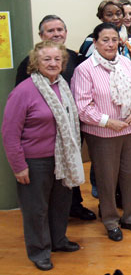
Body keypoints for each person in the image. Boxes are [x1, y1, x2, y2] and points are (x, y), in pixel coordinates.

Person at [2, 41, 84, 271]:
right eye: (46, 59)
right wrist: (18, 166)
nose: (52, 63)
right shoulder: (23, 91)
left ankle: (58, 241)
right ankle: (39, 251)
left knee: (60, 204)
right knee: (36, 209)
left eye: (57, 59)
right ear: (36, 63)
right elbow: (9, 133)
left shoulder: (63, 86)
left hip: (63, 157)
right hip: (35, 161)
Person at [72, 23, 131, 242]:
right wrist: (108, 122)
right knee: (107, 179)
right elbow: (83, 107)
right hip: (102, 134)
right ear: (95, 42)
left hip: (128, 128)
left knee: (130, 176)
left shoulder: (125, 62)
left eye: (114, 39)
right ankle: (111, 221)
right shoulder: (85, 70)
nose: (110, 44)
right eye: (105, 40)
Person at [14, 15, 95, 222]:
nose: (56, 33)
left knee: (72, 164)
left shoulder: (73, 57)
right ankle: (52, 215)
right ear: (41, 35)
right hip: (44, 132)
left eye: (60, 29)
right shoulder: (28, 63)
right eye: (51, 31)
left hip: (73, 125)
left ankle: (73, 205)